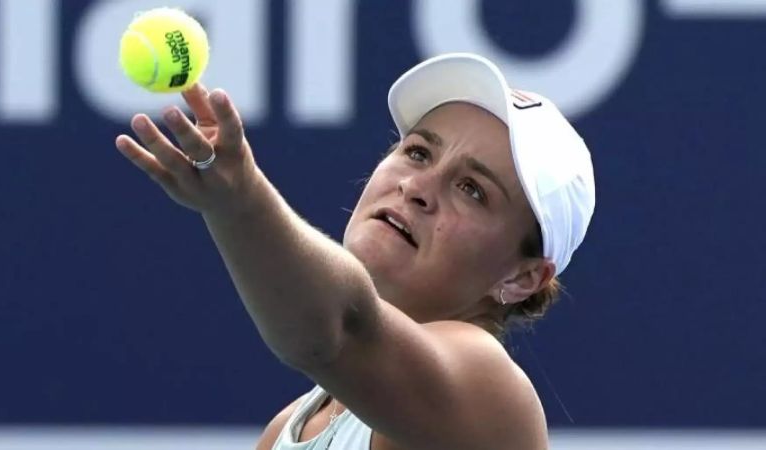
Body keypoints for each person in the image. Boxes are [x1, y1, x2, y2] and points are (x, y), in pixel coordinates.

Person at [114, 53, 595, 450]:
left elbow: (338, 331)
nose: (417, 187)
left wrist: (241, 199)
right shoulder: (287, 429)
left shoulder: (487, 386)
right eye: (418, 152)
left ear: (523, 277)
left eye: (472, 189)